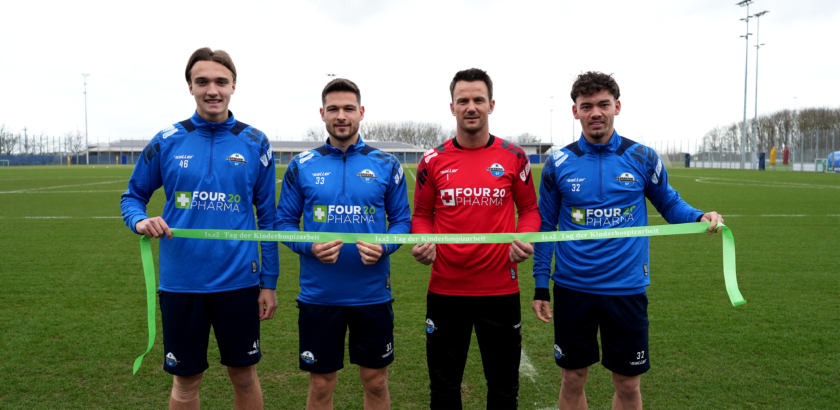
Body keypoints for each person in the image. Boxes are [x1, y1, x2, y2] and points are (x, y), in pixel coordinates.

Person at [532, 71, 724, 410]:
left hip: (626, 289)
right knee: (572, 378)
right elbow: (546, 226)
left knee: (628, 384)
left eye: (603, 104)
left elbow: (668, 202)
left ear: (617, 107)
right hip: (573, 288)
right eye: (586, 105)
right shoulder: (557, 163)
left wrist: (698, 216)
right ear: (574, 111)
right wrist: (540, 285)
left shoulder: (642, 157)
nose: (595, 113)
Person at [120, 47, 278, 410]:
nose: (212, 90)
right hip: (180, 283)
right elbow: (132, 197)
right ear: (189, 86)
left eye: (221, 82)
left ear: (234, 86)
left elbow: (267, 218)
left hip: (239, 282)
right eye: (202, 81)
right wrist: (140, 220)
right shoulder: (167, 139)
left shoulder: (256, 142)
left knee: (244, 376)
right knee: (186, 382)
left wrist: (268, 283)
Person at [275, 78, 411, 410]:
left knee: (376, 381)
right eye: (333, 109)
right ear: (322, 113)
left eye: (348, 108)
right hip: (320, 295)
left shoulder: (386, 164)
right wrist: (309, 246)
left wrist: (385, 246)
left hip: (372, 294)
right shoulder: (302, 165)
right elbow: (284, 224)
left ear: (361, 112)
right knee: (321, 385)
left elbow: (403, 222)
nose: (341, 115)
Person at [410, 68, 541, 409]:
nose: (471, 107)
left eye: (478, 100)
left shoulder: (514, 156)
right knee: (443, 388)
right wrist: (423, 242)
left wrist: (525, 238)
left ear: (491, 105)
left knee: (503, 388)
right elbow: (421, 216)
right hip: (445, 292)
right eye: (463, 100)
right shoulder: (432, 160)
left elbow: (529, 209)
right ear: (452, 107)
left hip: (499, 292)